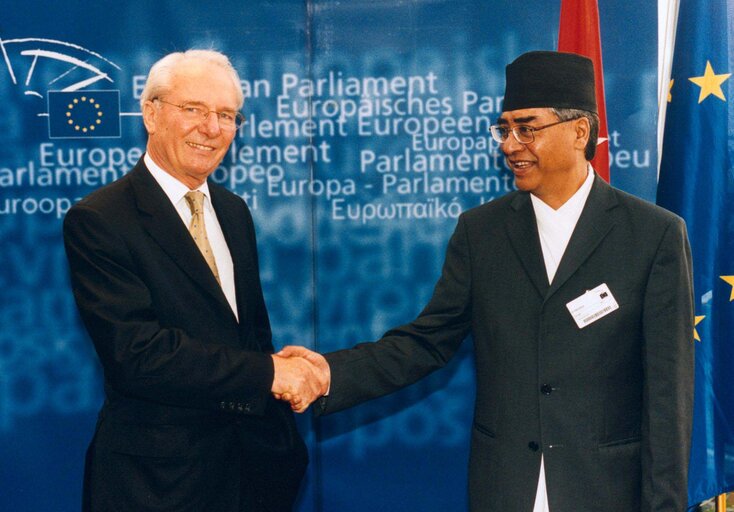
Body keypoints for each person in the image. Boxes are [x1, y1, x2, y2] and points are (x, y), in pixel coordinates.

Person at [279, 51, 695, 511]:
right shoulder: (482, 232)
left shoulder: (653, 235)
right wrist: (328, 374)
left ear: (580, 131)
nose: (510, 144)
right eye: (505, 129)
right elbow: (426, 342)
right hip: (505, 489)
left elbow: (667, 398)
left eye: (527, 128)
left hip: (606, 492)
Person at [63, 49, 327, 512]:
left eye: (226, 115)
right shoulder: (101, 219)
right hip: (157, 483)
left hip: (252, 473)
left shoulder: (233, 211)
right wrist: (270, 373)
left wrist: (282, 372)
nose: (212, 128)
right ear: (151, 113)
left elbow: (247, 335)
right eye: (194, 110)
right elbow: (139, 356)